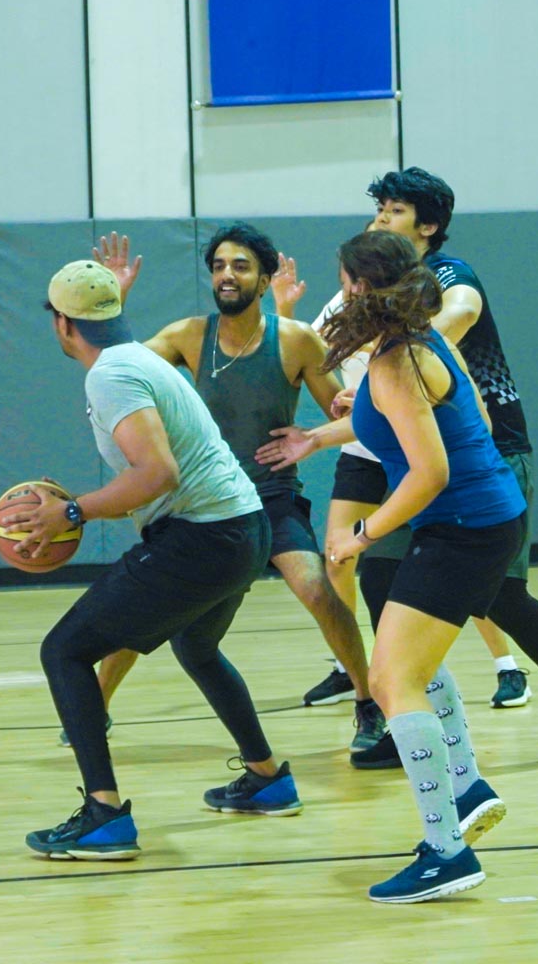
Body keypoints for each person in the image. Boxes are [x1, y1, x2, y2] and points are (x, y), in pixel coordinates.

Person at [274, 167, 538, 760]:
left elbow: (459, 316)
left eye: (395, 211)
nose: (380, 218)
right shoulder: (372, 308)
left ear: (428, 226)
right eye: (380, 209)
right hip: (391, 451)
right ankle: (406, 719)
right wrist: (326, 428)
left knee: (499, 596)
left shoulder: (442, 289)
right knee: (384, 582)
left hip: (483, 457)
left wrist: (398, 349)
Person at [1, 260, 299, 861]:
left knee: (64, 649)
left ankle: (104, 816)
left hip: (204, 537)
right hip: (244, 527)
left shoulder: (111, 375)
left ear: (62, 325)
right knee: (198, 647)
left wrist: (73, 513)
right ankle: (268, 779)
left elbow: (157, 472)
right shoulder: (137, 358)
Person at [283, 230, 523, 902]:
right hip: (479, 518)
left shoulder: (394, 363)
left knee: (392, 682)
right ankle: (468, 783)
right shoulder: (416, 343)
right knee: (405, 655)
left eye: (343, 284)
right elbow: (460, 415)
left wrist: (361, 533)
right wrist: (335, 424)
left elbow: (431, 471)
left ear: (361, 288)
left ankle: (447, 851)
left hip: (465, 527)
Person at [80, 225, 382, 753]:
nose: (226, 274)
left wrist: (318, 430)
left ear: (263, 279)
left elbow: (350, 415)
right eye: (219, 265)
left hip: (272, 498)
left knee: (318, 589)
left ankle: (367, 701)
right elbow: (118, 367)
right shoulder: (186, 336)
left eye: (240, 265)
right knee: (149, 605)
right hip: (206, 505)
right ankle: (96, 705)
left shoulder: (295, 341)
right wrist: (116, 299)